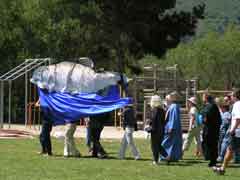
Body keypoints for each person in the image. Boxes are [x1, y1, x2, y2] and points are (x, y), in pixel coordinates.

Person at [213, 89, 240, 175]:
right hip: (237, 132)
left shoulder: (237, 104)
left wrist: (232, 129)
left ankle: (222, 168)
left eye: (231, 96)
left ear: (235, 96)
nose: (230, 97)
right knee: (230, 150)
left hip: (237, 132)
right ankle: (222, 168)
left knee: (230, 149)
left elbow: (238, 118)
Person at [201, 93, 221, 167]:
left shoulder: (211, 106)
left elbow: (206, 117)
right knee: (210, 144)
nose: (202, 98)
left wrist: (204, 119)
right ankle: (212, 160)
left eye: (203, 97)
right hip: (210, 128)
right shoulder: (210, 106)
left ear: (206, 98)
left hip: (211, 129)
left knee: (211, 145)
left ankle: (213, 161)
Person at [161, 92, 182, 162]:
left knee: (166, 143)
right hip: (172, 127)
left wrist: (171, 127)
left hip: (172, 128)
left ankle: (165, 156)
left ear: (173, 98)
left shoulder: (174, 106)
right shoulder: (173, 106)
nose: (168, 98)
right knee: (173, 143)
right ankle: (172, 157)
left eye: (169, 97)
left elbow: (174, 118)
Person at [148, 95, 166, 165]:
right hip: (161, 130)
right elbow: (163, 121)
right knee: (158, 145)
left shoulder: (154, 110)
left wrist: (149, 128)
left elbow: (153, 120)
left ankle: (155, 161)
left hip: (155, 130)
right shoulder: (162, 110)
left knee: (154, 146)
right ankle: (167, 156)